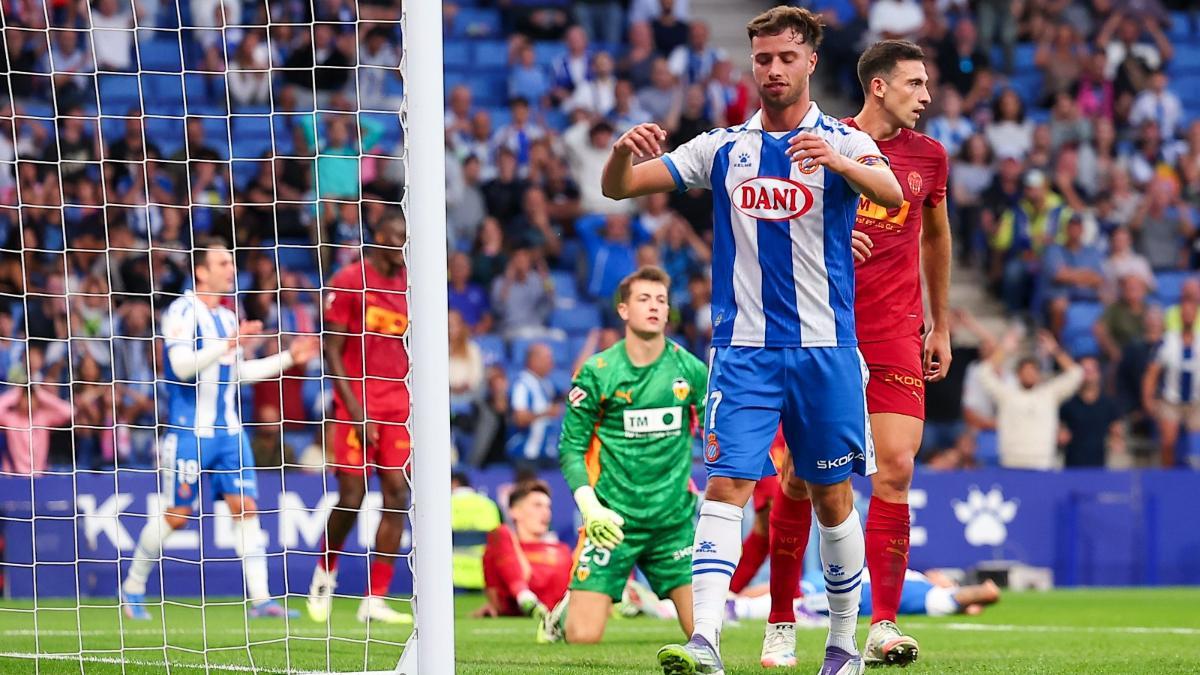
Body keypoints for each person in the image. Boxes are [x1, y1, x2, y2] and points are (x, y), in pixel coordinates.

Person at [600, 6, 903, 674]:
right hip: (743, 354)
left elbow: (894, 190)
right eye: (762, 59)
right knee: (726, 485)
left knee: (830, 496)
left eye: (785, 58)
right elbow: (620, 188)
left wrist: (839, 164)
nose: (772, 70)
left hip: (826, 351)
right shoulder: (723, 148)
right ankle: (706, 639)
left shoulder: (843, 140)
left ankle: (844, 647)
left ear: (810, 62)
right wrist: (621, 157)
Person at [760, 39, 951, 670]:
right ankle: (782, 620)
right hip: (825, 332)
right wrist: (836, 245)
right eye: (915, 84)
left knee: (896, 469)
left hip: (897, 331)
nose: (925, 96)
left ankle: (883, 626)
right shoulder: (824, 141)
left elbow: (936, 239)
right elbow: (775, 230)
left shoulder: (929, 158)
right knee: (800, 477)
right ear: (878, 86)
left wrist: (940, 325)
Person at [121, 238, 320, 620]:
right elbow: (179, 367)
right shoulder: (180, 311)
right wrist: (229, 343)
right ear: (201, 271)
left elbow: (236, 374)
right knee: (177, 514)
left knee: (245, 508)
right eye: (223, 264)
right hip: (188, 433)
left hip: (230, 432)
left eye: (231, 263)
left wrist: (287, 358)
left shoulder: (229, 317)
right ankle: (132, 587)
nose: (231, 270)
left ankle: (261, 600)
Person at [537, 266, 708, 645]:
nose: (654, 307)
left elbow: (717, 431)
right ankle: (566, 612)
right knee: (583, 639)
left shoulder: (691, 371)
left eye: (661, 300)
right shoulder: (598, 372)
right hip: (611, 524)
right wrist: (591, 507)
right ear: (623, 311)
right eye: (644, 299)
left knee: (705, 633)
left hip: (673, 522)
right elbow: (571, 448)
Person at [307, 214, 413, 625]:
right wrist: (355, 411)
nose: (405, 245)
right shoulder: (350, 280)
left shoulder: (413, 283)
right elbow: (332, 350)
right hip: (356, 403)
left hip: (398, 406)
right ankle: (325, 572)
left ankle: (376, 597)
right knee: (351, 497)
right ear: (381, 237)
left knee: (397, 495)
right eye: (399, 237)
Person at [979, 330, 1083, 470]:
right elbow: (983, 373)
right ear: (1018, 374)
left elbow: (1076, 374)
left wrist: (1055, 350)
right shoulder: (1007, 394)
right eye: (1025, 371)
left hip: (1042, 463)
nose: (1029, 374)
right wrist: (1004, 349)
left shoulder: (1049, 394)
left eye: (1033, 371)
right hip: (1011, 463)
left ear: (1039, 374)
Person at [478, 479, 572, 618]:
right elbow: (495, 592)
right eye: (537, 505)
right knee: (501, 533)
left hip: (553, 610)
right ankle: (525, 597)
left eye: (548, 507)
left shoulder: (561, 550)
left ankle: (527, 599)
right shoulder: (500, 545)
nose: (546, 512)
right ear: (515, 512)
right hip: (515, 605)